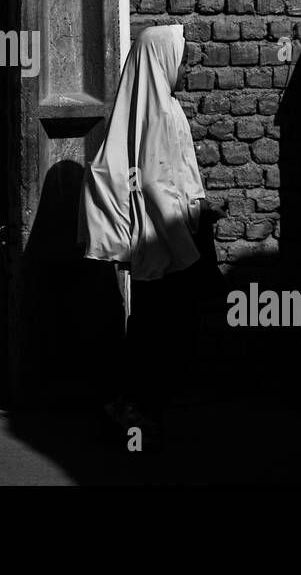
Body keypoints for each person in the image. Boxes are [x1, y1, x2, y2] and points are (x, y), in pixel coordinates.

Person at [78, 24, 225, 434]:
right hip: (168, 240)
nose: (185, 65)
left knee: (152, 323)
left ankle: (132, 403)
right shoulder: (160, 112)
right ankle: (140, 409)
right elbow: (159, 185)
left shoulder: (152, 106)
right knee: (168, 331)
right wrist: (187, 245)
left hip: (160, 241)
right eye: (180, 56)